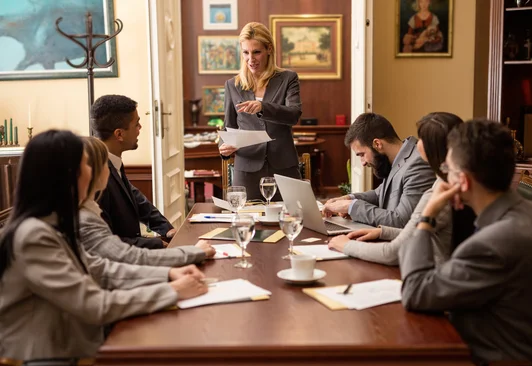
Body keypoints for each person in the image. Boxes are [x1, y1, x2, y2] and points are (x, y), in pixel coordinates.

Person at [0, 130, 208, 366]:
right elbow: (94, 305)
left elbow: (102, 269)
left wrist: (169, 274)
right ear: (67, 175)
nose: (93, 169)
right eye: (85, 163)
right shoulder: (34, 236)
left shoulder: (50, 224)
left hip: (69, 351)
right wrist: (173, 291)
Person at [399, 119, 532, 366]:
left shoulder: (495, 242)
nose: (444, 177)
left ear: (463, 181)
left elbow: (415, 292)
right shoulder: (531, 213)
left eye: (447, 170)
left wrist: (427, 217)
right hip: (523, 350)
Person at [328, 112, 474, 265]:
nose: (416, 143)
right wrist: (383, 231)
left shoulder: (438, 191)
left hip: (430, 273)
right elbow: (415, 230)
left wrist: (346, 245)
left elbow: (392, 250)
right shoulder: (447, 184)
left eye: (421, 138)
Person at [79, 136, 217, 265]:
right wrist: (190, 252)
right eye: (105, 164)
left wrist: (166, 231)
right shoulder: (86, 219)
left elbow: (139, 202)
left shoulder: (91, 206)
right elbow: (124, 257)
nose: (109, 169)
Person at [219, 22, 302, 201]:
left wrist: (264, 107)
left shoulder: (288, 78)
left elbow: (294, 115)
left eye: (256, 52)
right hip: (246, 167)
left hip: (284, 165)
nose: (251, 59)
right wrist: (223, 147)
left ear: (269, 49)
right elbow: (229, 126)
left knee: (292, 219)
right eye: (246, 53)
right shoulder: (232, 85)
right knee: (247, 220)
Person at [322, 113, 436, 228]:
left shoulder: (417, 164)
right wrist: (349, 198)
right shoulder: (394, 158)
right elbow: (379, 194)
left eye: (362, 154)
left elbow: (402, 221)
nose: (363, 162)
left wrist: (352, 207)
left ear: (377, 144)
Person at [91, 94, 175, 249]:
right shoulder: (97, 176)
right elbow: (106, 242)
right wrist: (157, 244)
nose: (140, 129)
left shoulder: (112, 161)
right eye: (137, 124)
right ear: (119, 134)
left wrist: (167, 229)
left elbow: (136, 199)